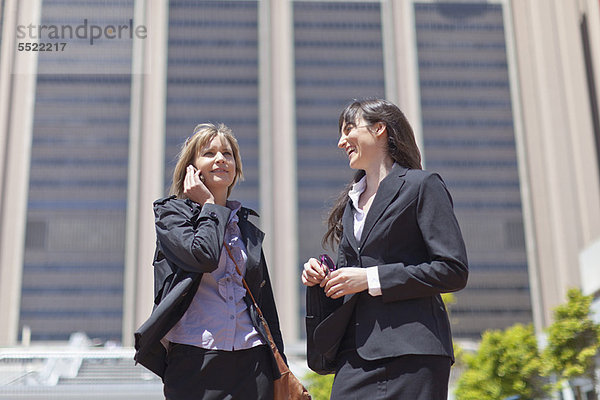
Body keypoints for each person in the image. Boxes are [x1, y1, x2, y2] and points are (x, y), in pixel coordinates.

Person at [302, 99, 468, 399]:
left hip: (412, 351)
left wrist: (371, 279)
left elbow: (452, 270)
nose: (341, 142)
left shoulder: (422, 185)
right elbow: (348, 282)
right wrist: (323, 278)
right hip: (355, 356)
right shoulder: (351, 203)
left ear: (380, 129)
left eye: (349, 129)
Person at [134, 123, 285, 400]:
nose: (220, 159)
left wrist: (280, 366)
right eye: (209, 153)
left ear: (236, 167)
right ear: (192, 168)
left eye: (227, 154)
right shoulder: (171, 214)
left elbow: (265, 303)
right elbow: (203, 255)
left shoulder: (246, 227)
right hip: (195, 358)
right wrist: (209, 206)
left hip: (253, 358)